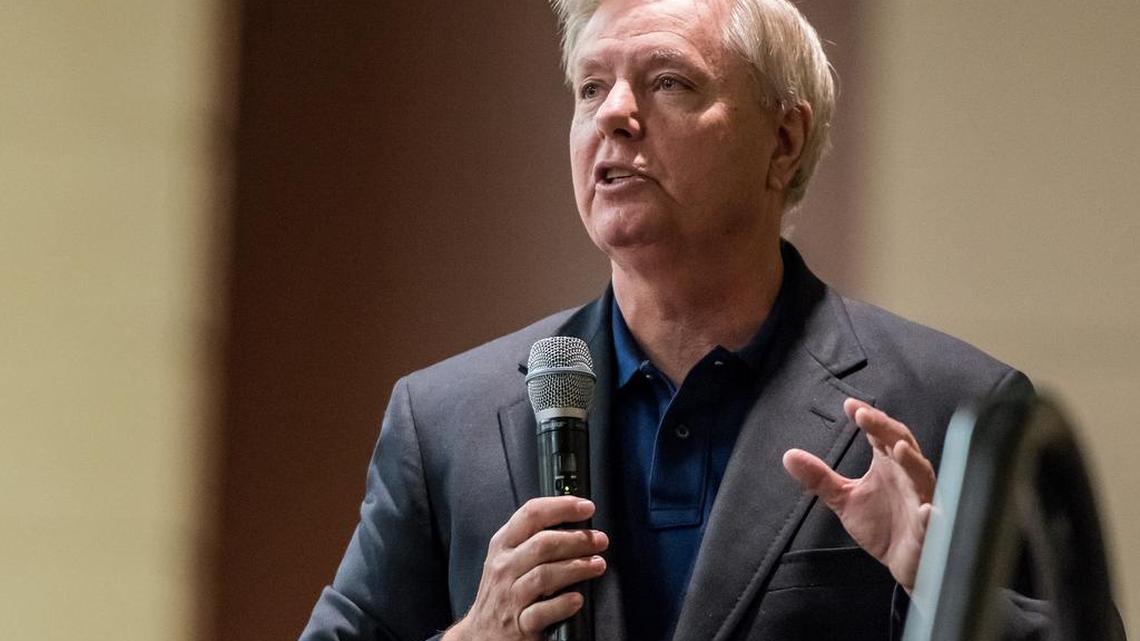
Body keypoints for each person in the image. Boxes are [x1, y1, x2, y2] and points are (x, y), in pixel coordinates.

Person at [299, 1, 1042, 640]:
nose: (615, 114)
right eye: (591, 88)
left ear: (783, 140)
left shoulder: (954, 408)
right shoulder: (443, 421)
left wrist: (944, 587)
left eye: (667, 82)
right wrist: (475, 631)